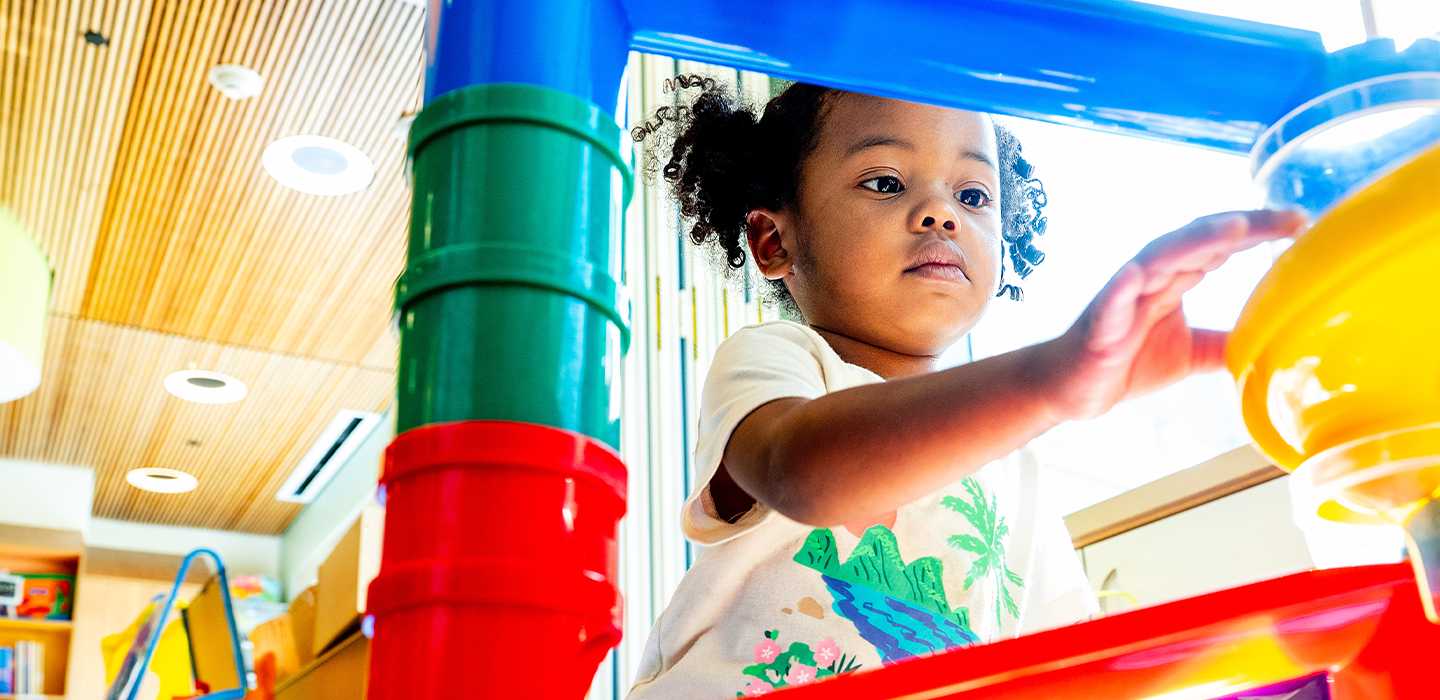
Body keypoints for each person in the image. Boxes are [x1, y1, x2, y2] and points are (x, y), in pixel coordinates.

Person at [626, 79, 1303, 699]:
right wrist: (1052, 380)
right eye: (886, 182)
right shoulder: (781, 360)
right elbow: (802, 473)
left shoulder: (1016, 461)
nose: (940, 214)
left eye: (973, 195)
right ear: (773, 240)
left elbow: (1065, 661)